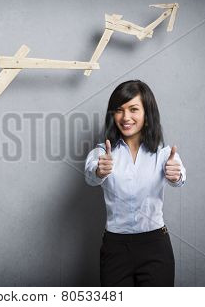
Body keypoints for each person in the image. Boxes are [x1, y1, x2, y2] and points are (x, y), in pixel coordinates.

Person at [84, 80, 186, 287]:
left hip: (156, 245)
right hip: (115, 247)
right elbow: (90, 175)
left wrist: (176, 176)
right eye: (119, 110)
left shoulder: (164, 153)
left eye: (133, 109)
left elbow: (179, 175)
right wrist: (98, 170)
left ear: (147, 113)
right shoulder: (102, 152)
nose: (126, 117)